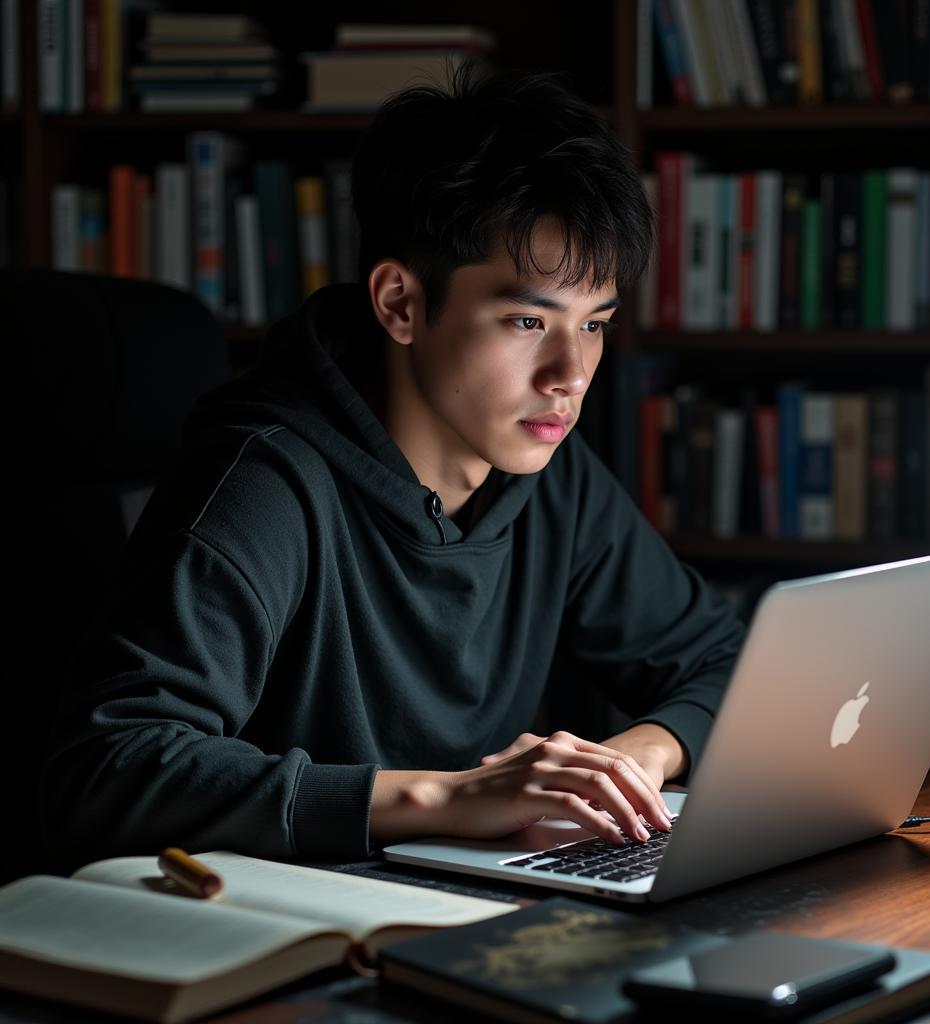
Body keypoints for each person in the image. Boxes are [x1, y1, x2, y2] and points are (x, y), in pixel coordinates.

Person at [39, 66, 745, 869]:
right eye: (526, 319)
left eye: (595, 325)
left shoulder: (548, 467)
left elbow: (726, 665)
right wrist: (443, 799)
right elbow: (105, 770)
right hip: (289, 927)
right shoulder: (265, 480)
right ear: (401, 304)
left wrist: (627, 766)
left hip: (459, 899)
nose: (571, 375)